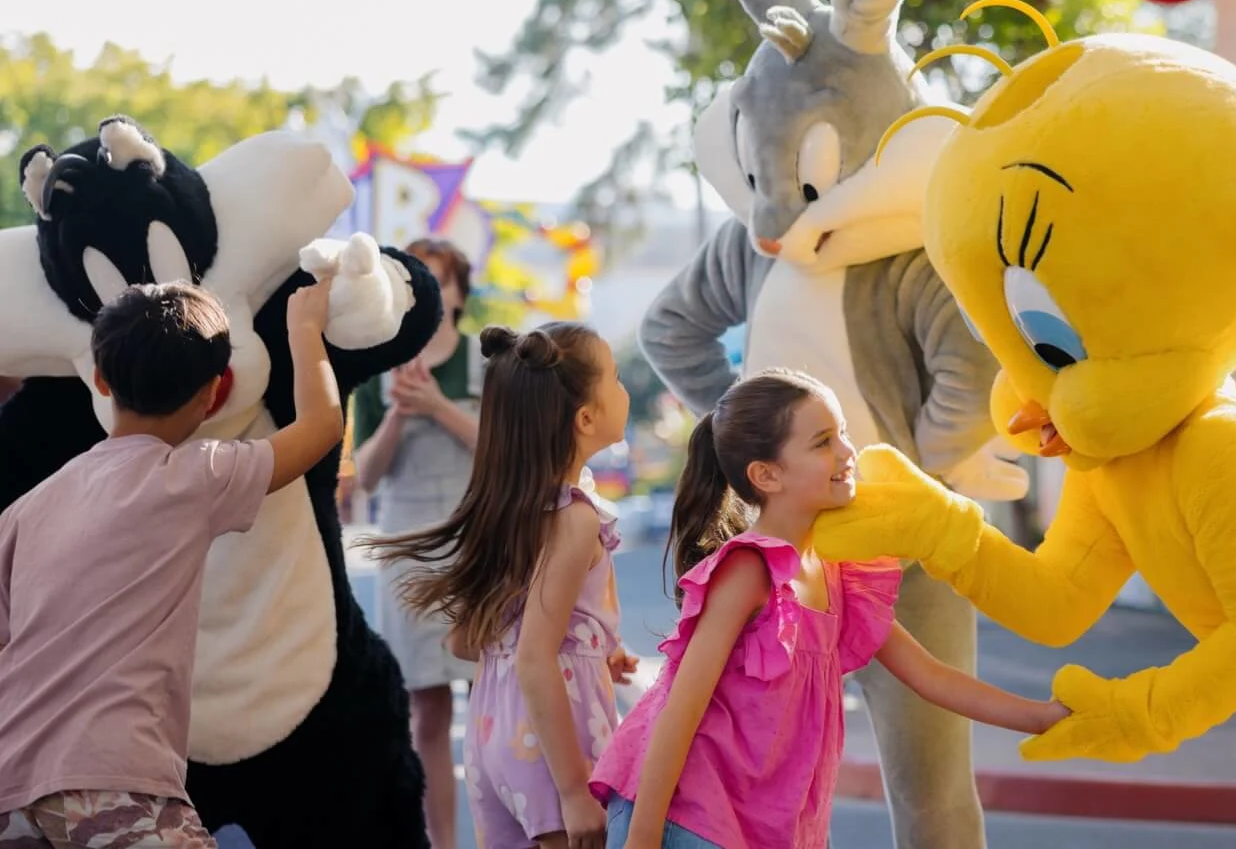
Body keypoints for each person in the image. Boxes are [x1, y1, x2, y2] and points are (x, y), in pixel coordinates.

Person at [595, 369, 1068, 849]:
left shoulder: (841, 573)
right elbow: (679, 711)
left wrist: (1044, 717)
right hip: (688, 815)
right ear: (767, 474)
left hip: (764, 821)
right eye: (822, 441)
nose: (847, 451)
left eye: (842, 433)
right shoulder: (748, 570)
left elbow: (930, 676)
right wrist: (642, 839)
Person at [0, 280, 342, 847]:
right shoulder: (192, 477)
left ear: (102, 380)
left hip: (11, 779)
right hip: (112, 780)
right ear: (212, 394)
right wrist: (304, 330)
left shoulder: (31, 506)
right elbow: (320, 428)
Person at [365, 322, 637, 849]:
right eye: (618, 378)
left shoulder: (510, 510)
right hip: (553, 743)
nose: (625, 390)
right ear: (585, 418)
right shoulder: (575, 518)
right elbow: (536, 658)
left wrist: (591, 648)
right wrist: (575, 792)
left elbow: (466, 641)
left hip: (494, 732)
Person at [346, 238, 481, 849]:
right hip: (406, 547)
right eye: (416, 277)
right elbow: (366, 477)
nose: (429, 288)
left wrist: (438, 405)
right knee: (426, 709)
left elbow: (509, 453)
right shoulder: (376, 371)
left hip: (482, 544)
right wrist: (401, 411)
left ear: (458, 293)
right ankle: (443, 843)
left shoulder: (488, 359)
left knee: (499, 704)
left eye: (440, 277)